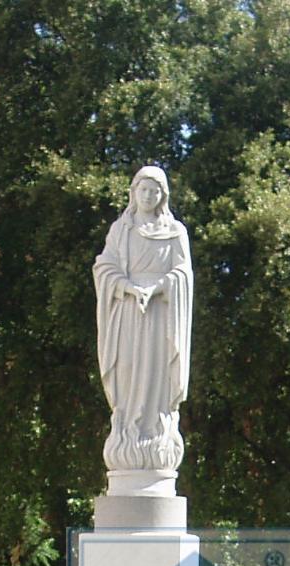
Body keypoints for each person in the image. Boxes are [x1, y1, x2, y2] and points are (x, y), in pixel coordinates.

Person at [93, 166, 194, 480]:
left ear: (163, 195)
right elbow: (104, 267)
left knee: (156, 374)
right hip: (128, 312)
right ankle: (127, 434)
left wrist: (158, 287)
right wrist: (129, 288)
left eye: (155, 191)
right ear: (134, 192)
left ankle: (156, 436)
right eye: (144, 190)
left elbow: (183, 273)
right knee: (128, 371)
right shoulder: (121, 230)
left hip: (160, 315)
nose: (148, 196)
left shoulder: (175, 231)